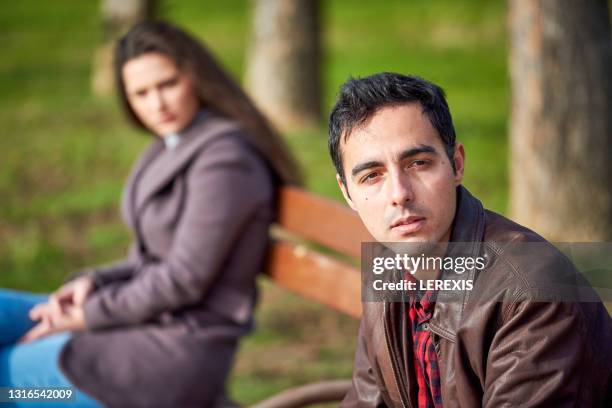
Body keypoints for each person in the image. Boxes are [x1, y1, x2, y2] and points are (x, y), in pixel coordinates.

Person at [0, 20, 300, 407]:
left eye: (167, 84)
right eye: (140, 93)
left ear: (196, 77)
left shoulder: (226, 161)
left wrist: (87, 316)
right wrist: (93, 281)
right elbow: (152, 258)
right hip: (141, 319)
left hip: (172, 351)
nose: (156, 104)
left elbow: (183, 279)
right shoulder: (172, 144)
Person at [328, 72, 611, 407]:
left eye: (418, 163)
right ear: (347, 192)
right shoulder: (390, 268)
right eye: (372, 176)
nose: (399, 194)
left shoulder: (531, 294)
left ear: (456, 164)